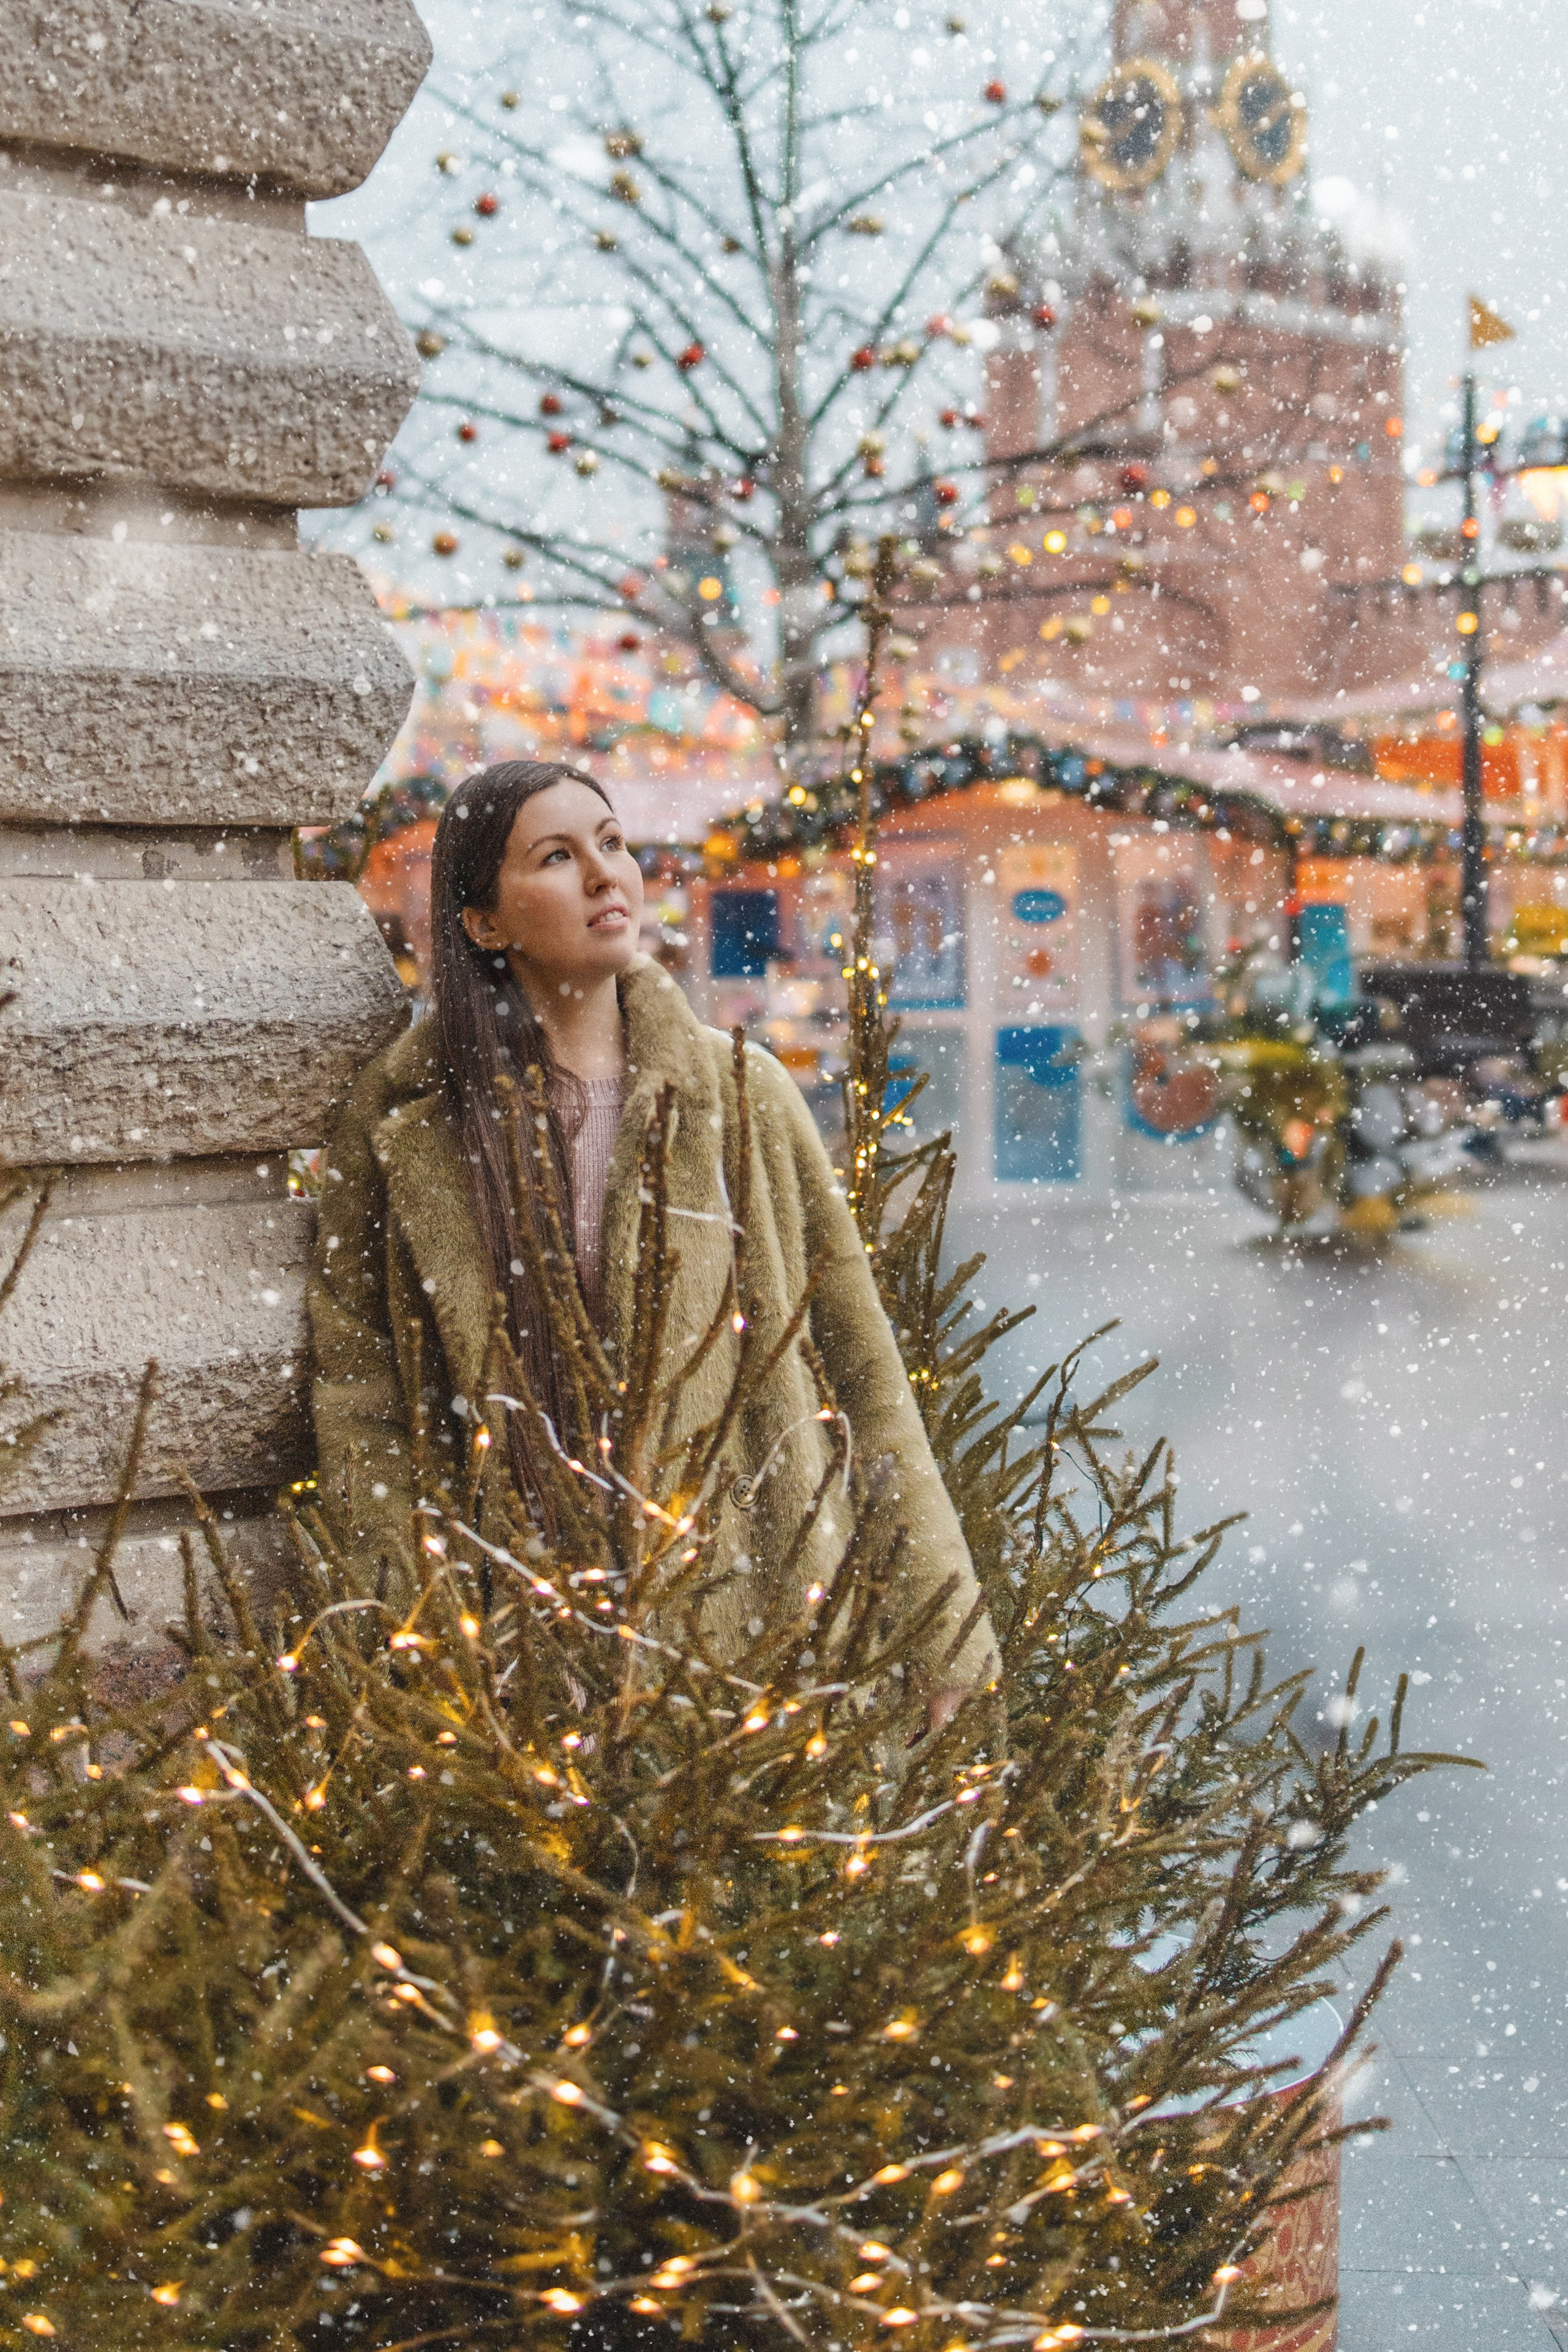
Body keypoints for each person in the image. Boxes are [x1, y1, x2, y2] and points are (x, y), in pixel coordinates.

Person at [309, 759, 993, 1717]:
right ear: (484, 923)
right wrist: (403, 1624)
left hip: (754, 1638)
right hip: (508, 1660)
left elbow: (859, 1367)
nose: (604, 875)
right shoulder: (410, 1129)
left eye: (611, 843)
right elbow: (361, 1398)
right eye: (555, 856)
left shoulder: (742, 1096)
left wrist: (942, 1628)